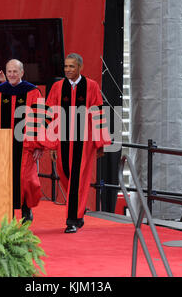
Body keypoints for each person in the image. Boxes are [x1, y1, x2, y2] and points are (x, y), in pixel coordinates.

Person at [45, 53, 111, 233]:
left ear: (80, 67)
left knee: (78, 180)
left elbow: (98, 114)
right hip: (63, 141)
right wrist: (51, 144)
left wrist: (100, 143)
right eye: (66, 66)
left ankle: (72, 220)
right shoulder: (58, 87)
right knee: (66, 175)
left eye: (71, 66)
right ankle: (79, 212)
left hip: (84, 143)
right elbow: (50, 116)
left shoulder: (91, 86)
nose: (67, 70)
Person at [0, 59, 44, 223]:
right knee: (4, 179)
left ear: (22, 73)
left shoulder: (33, 92)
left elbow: (39, 120)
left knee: (26, 180)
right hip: (2, 147)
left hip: (26, 146)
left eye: (15, 72)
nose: (12, 75)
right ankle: (8, 212)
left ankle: (26, 209)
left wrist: (39, 145)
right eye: (9, 71)